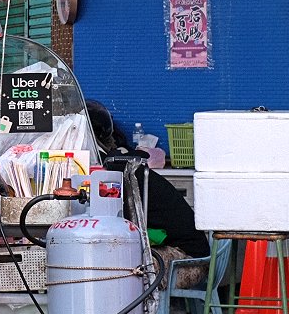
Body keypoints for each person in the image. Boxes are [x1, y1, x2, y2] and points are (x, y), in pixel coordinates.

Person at [85, 100, 209, 286]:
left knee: (115, 264)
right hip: (181, 251)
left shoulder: (121, 173)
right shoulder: (124, 165)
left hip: (188, 261)